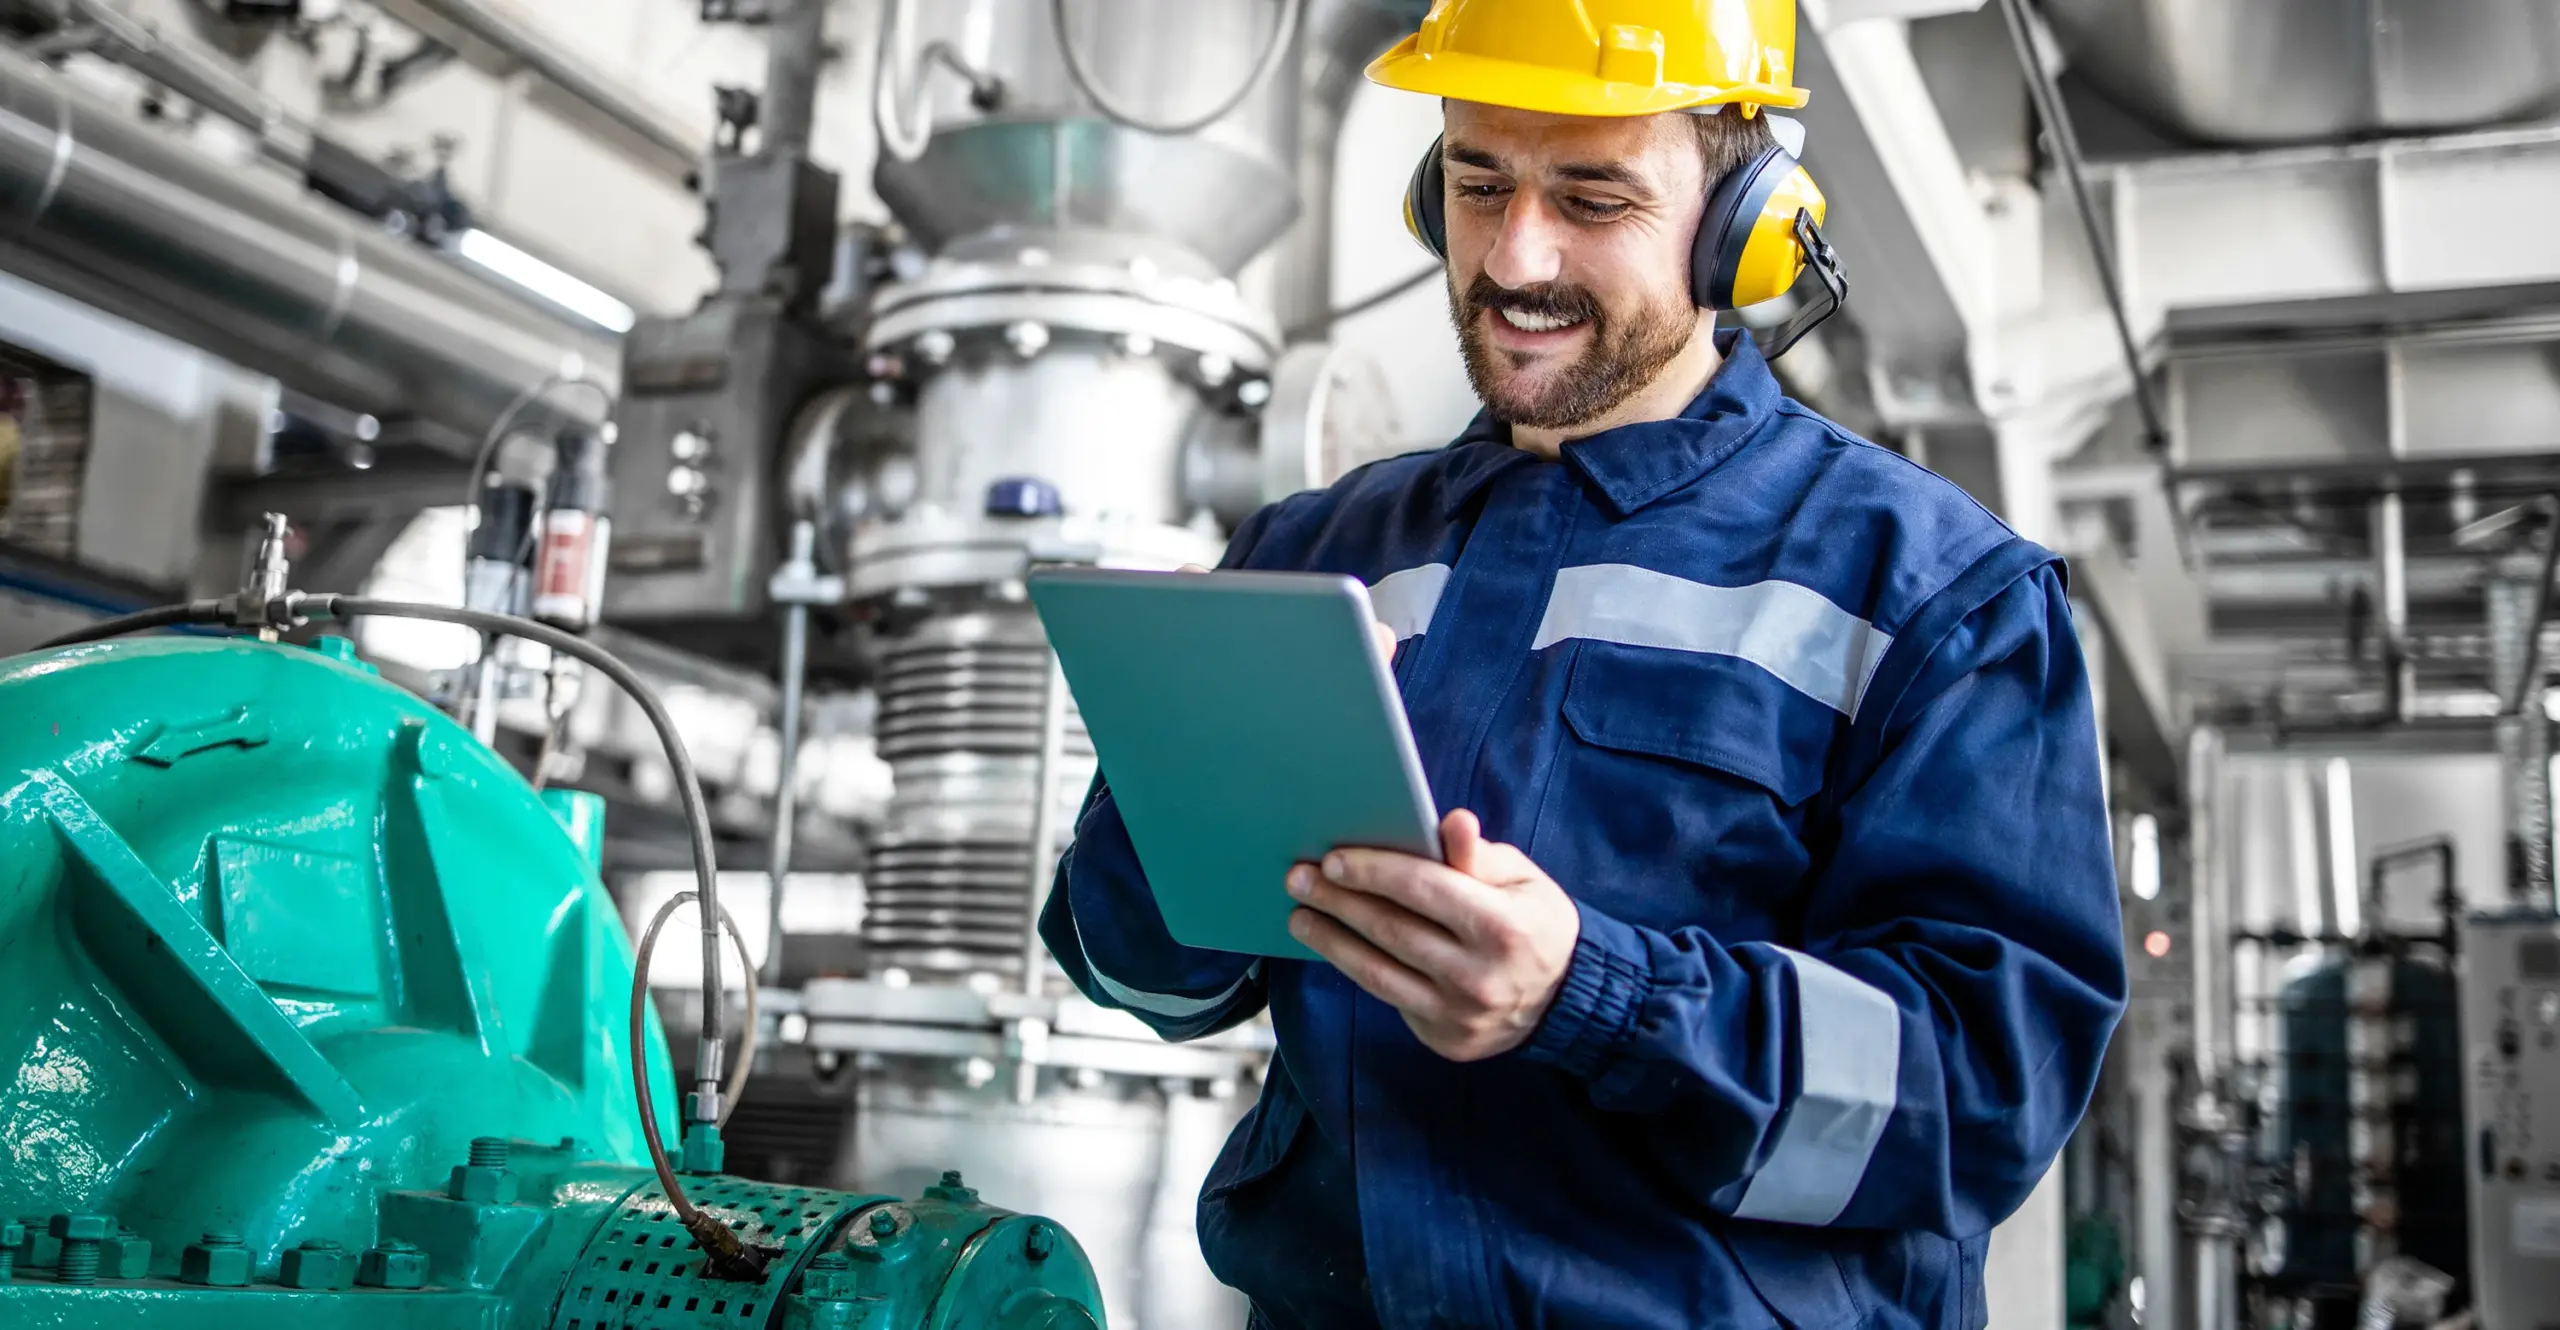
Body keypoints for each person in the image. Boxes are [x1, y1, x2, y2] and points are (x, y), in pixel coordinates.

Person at [1038, 2, 2128, 1326]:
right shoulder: (1313, 549)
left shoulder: (1936, 595)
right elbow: (1130, 973)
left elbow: (1983, 1094)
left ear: (1747, 222)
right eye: (1478, 182)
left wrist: (1594, 997)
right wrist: (1187, 812)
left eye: (1594, 195)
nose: (1515, 255)